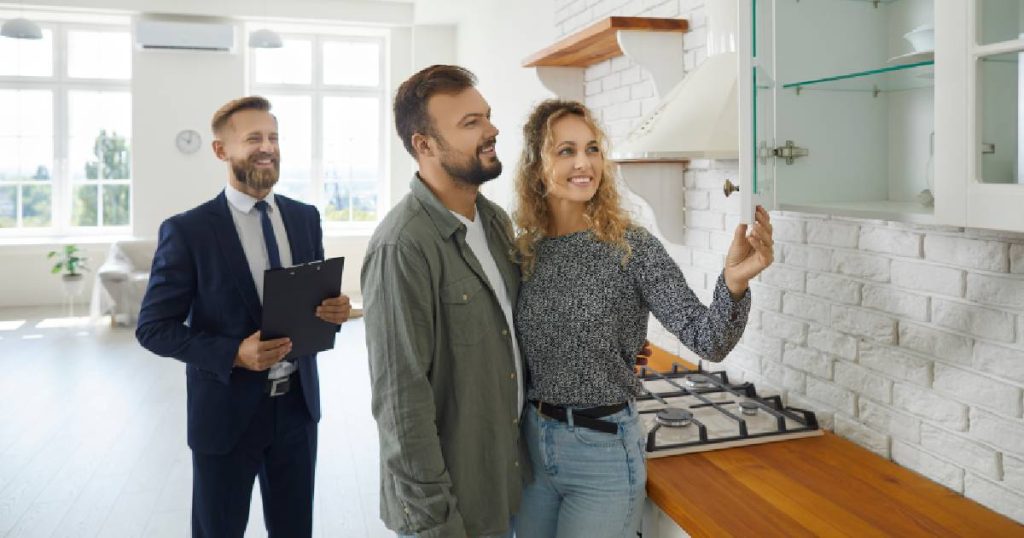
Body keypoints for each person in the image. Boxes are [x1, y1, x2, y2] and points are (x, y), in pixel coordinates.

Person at [512, 99, 774, 537]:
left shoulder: (631, 247)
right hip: (532, 447)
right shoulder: (523, 251)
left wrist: (732, 284)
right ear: (537, 168)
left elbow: (707, 338)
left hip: (602, 454)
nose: (584, 163)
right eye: (566, 151)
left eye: (592, 149)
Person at [136, 96, 351, 537]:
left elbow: (310, 305)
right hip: (226, 415)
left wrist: (335, 311)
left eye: (273, 137)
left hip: (298, 409)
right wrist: (233, 352)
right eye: (253, 138)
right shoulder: (188, 230)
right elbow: (153, 328)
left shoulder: (305, 219)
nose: (267, 147)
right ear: (221, 151)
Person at [361, 65, 524, 538]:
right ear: (424, 145)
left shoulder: (494, 223)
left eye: (487, 117)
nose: (492, 130)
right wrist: (435, 522)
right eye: (470, 123)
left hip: (504, 486)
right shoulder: (402, 246)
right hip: (450, 511)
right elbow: (400, 405)